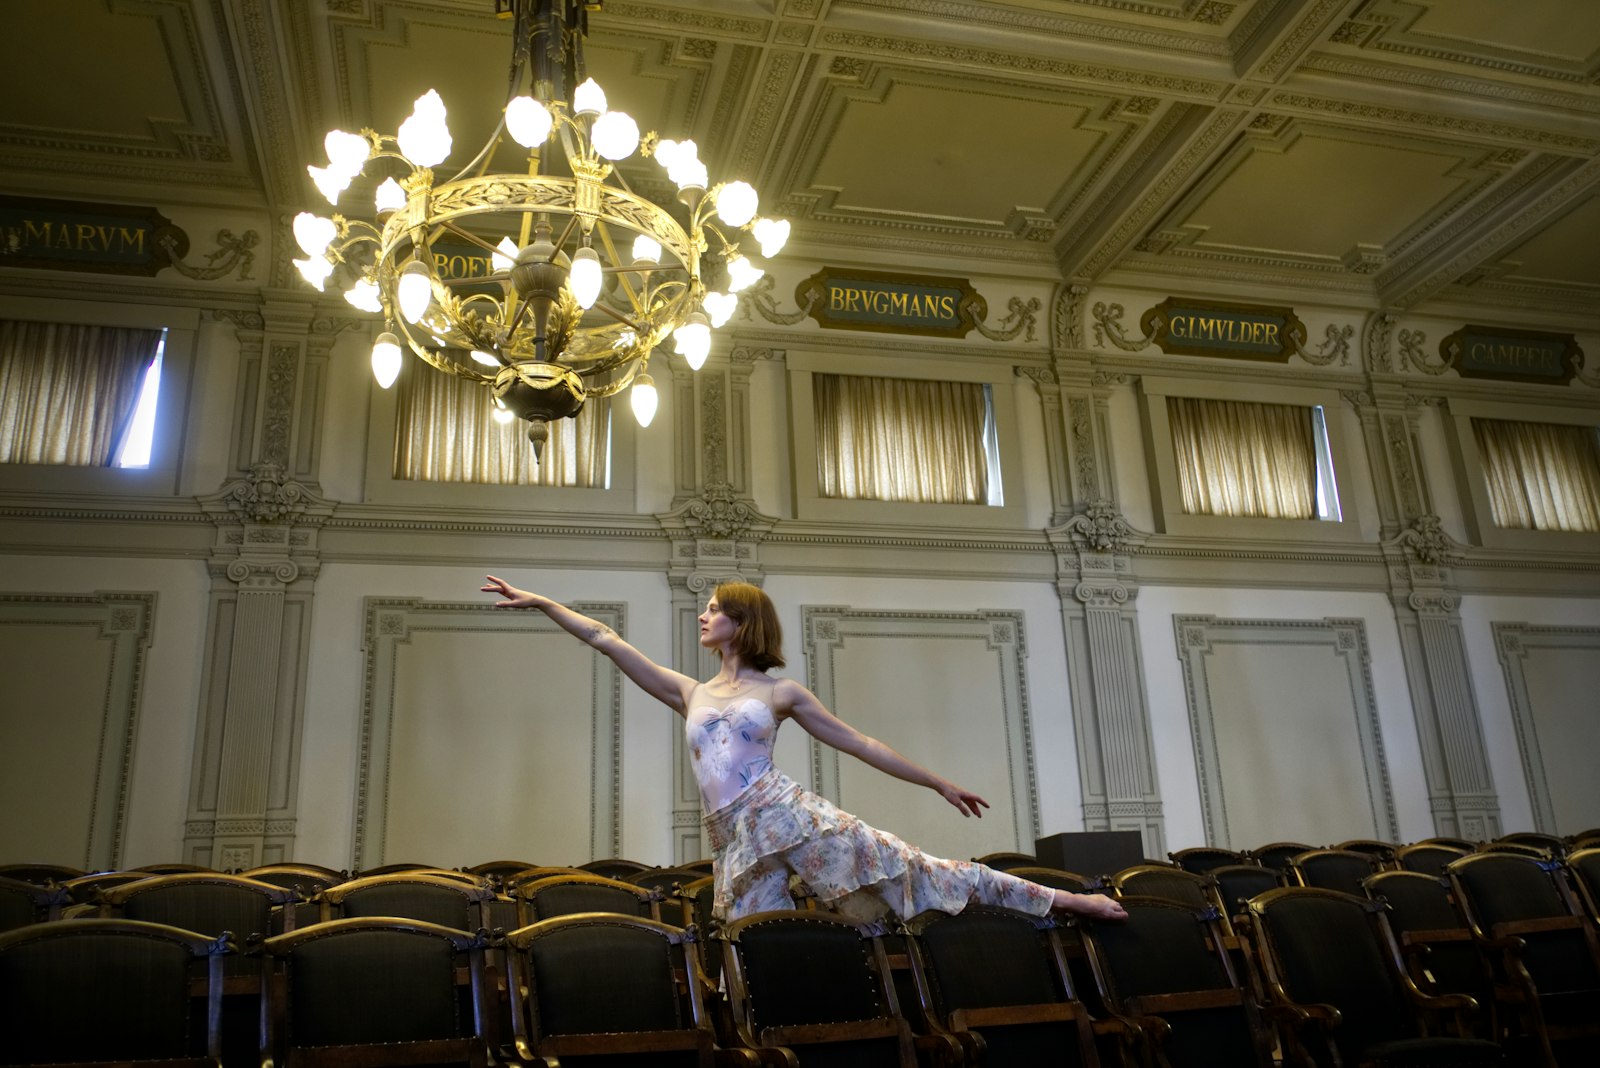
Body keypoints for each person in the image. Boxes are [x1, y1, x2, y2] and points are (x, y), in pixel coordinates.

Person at [481, 575, 1127, 926]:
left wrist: (939, 784)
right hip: (732, 838)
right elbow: (605, 637)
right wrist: (539, 602)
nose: (702, 618)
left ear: (742, 622)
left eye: (713, 610)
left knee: (917, 870)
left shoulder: (782, 692)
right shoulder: (689, 693)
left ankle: (1070, 902)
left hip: (786, 815)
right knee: (751, 942)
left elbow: (860, 742)